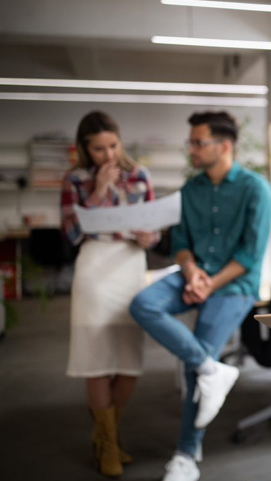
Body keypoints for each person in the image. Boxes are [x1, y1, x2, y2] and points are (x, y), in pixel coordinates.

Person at [128, 111, 271, 481]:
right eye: (191, 142)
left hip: (234, 285)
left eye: (198, 142)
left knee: (197, 362)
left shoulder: (255, 188)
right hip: (192, 276)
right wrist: (192, 271)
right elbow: (180, 244)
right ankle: (213, 370)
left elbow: (249, 255)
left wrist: (210, 282)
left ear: (224, 146)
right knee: (144, 304)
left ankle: (186, 456)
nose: (191, 149)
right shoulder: (191, 190)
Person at [62, 111, 159, 477]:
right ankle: (109, 444)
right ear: (86, 149)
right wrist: (99, 191)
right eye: (99, 149)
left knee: (128, 360)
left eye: (113, 146)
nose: (108, 155)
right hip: (94, 269)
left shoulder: (140, 175)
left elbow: (152, 225)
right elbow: (70, 235)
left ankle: (106, 435)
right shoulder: (75, 179)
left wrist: (152, 236)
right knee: (98, 359)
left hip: (131, 265)